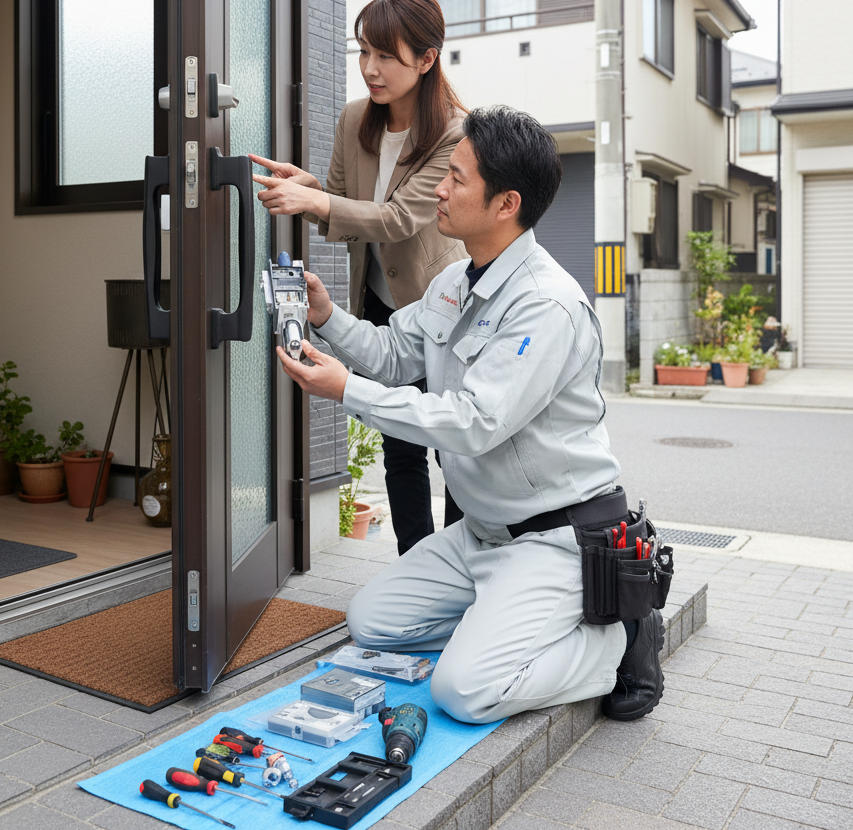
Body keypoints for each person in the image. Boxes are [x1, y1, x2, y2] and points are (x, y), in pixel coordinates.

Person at [272, 105, 663, 725]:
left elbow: (474, 421)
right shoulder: (455, 278)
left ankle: (618, 640)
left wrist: (346, 390)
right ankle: (505, 618)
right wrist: (324, 316)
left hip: (553, 539)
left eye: (455, 178)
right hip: (480, 534)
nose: (440, 190)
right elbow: (397, 354)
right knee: (370, 621)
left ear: (506, 203)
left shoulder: (546, 305)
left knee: (463, 691)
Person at [249, 0, 468, 555]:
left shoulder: (455, 134)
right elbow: (349, 207)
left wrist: (318, 204)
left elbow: (397, 219)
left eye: (386, 56)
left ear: (426, 59)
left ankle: (464, 568)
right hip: (377, 308)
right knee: (399, 444)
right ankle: (416, 566)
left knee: (452, 447)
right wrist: (313, 189)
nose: (370, 69)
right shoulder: (355, 121)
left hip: (440, 309)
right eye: (363, 52)